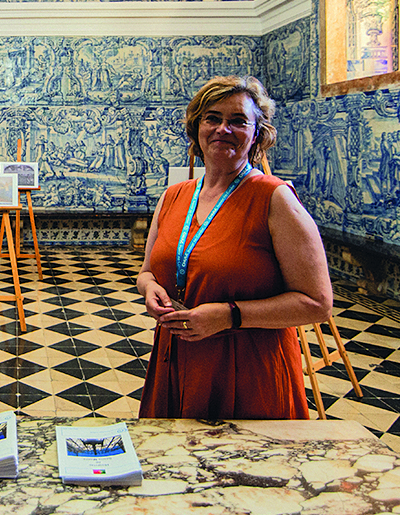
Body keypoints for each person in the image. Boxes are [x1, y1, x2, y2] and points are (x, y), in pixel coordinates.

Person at [136, 75, 332, 420]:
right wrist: (150, 288)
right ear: (197, 127)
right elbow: (148, 272)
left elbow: (317, 303)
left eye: (238, 121)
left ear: (257, 133)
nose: (222, 129)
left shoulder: (274, 198)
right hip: (175, 358)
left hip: (247, 368)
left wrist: (229, 316)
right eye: (212, 118)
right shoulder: (174, 196)